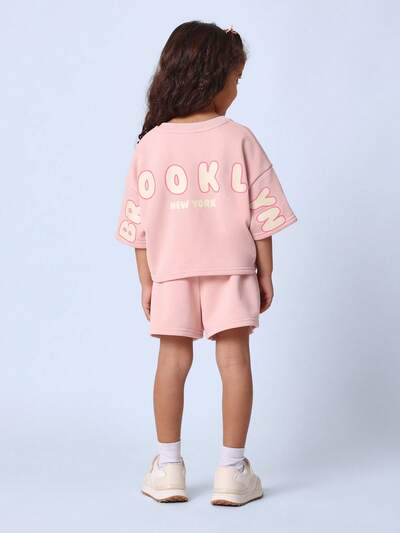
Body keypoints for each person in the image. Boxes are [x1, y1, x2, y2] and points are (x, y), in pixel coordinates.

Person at [115, 20, 297, 506]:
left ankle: (168, 468)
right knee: (234, 361)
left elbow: (139, 224)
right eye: (236, 79)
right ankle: (232, 472)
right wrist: (266, 272)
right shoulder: (239, 138)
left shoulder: (151, 144)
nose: (237, 89)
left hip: (171, 272)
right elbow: (262, 216)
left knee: (172, 361)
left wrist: (146, 281)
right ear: (214, 77)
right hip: (232, 269)